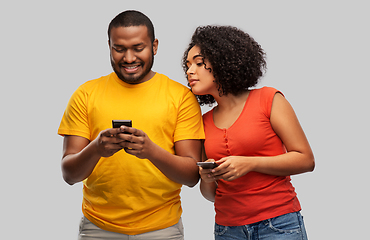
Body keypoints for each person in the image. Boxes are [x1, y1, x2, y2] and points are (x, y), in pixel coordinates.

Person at [58, 10, 204, 240]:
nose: (128, 58)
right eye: (119, 48)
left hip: (162, 229)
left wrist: (150, 151)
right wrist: (96, 149)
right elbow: (69, 174)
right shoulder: (86, 94)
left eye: (138, 48)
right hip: (97, 228)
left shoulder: (181, 97)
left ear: (154, 46)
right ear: (109, 45)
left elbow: (192, 176)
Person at [182, 25, 315, 240]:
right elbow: (211, 195)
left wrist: (250, 163)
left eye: (198, 63)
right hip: (228, 230)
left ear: (222, 60)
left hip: (279, 225)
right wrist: (207, 178)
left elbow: (306, 160)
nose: (190, 71)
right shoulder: (203, 122)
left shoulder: (269, 99)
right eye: (188, 65)